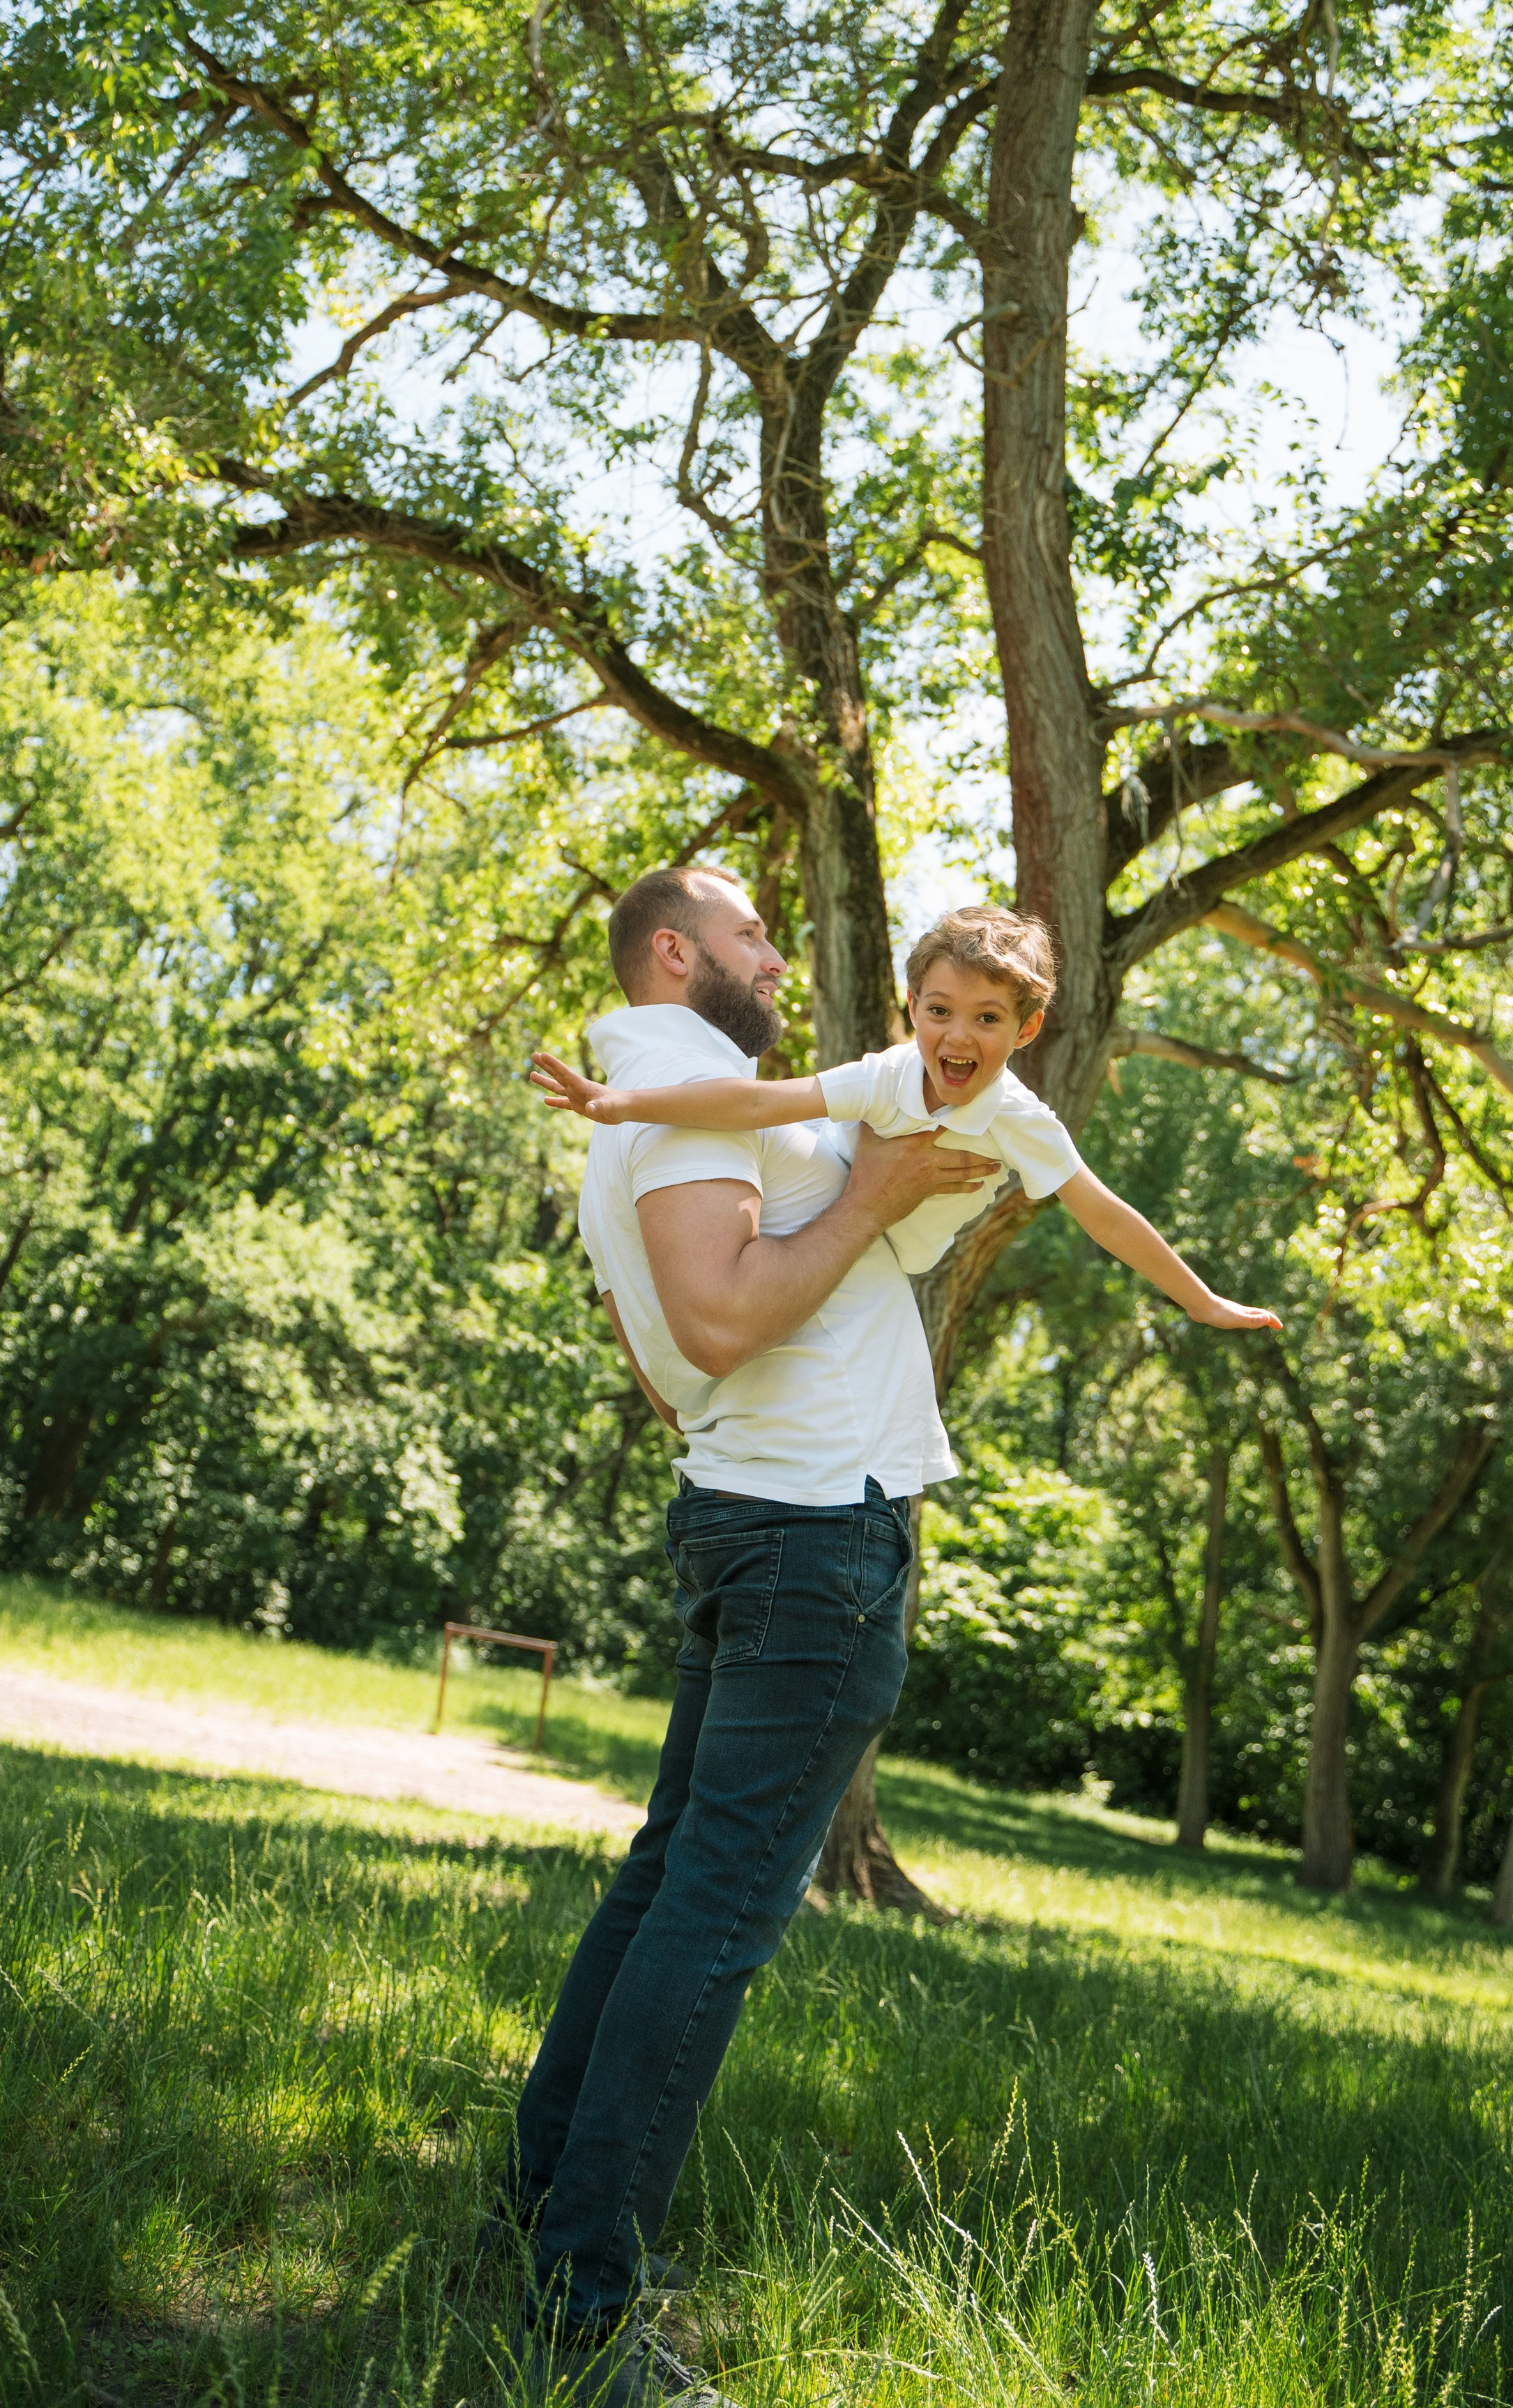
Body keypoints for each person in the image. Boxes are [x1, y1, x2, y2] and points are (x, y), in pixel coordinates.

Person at [501, 864, 994, 2407]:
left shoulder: (667, 1098)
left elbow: (666, 1365)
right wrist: (871, 1200)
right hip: (805, 1535)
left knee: (667, 1886)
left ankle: (538, 2232)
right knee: (713, 1914)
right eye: (748, 935)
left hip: (753, 1511)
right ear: (674, 953)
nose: (776, 957)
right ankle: (582, 2308)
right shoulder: (672, 1075)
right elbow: (712, 1325)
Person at [533, 901, 1285, 1330]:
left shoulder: (1019, 1118)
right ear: (912, 1009)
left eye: (987, 1019)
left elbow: (1108, 1218)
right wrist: (615, 1102)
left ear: (1026, 1031)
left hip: (887, 1256)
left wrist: (1203, 1301)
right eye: (938, 1012)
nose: (957, 1037)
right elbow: (758, 1100)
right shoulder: (889, 1075)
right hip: (818, 1214)